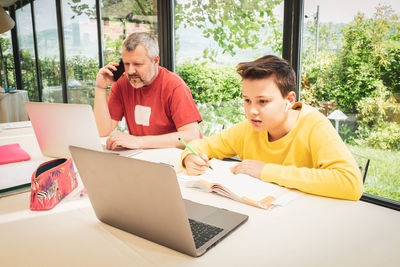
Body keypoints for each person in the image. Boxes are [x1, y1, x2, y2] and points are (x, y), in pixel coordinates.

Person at [181, 55, 363, 201]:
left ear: (289, 100)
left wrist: (265, 170)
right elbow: (202, 145)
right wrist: (190, 157)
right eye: (247, 100)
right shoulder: (249, 128)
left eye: (263, 101)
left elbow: (351, 183)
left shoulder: (314, 124)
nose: (252, 111)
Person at [94, 32, 202, 150]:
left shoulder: (174, 86)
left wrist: (139, 141)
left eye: (137, 64)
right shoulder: (122, 84)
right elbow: (102, 131)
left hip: (181, 159)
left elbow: (191, 136)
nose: (130, 71)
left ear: (155, 61)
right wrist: (101, 87)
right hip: (146, 158)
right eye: (126, 64)